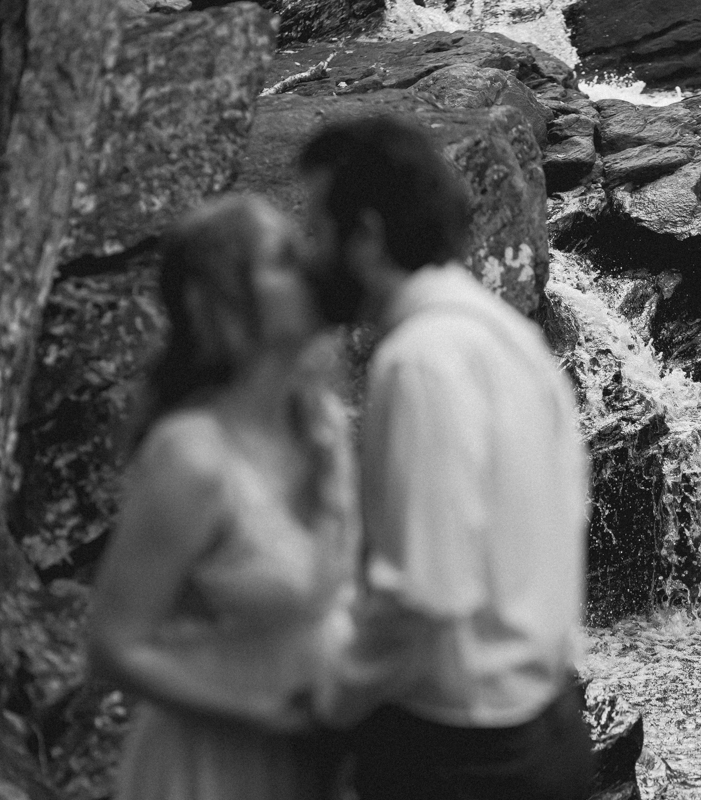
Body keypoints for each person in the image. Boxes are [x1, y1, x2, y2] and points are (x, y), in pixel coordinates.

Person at [298, 115, 596, 800]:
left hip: (465, 756)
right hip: (546, 728)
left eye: (318, 231)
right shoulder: (506, 336)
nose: (310, 255)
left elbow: (425, 591)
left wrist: (330, 698)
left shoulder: (419, 360)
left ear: (366, 236)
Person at [89, 195, 359, 800]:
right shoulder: (191, 457)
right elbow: (113, 645)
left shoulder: (323, 424)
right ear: (220, 302)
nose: (313, 269)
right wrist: (263, 713)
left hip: (321, 763)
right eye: (283, 260)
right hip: (212, 771)